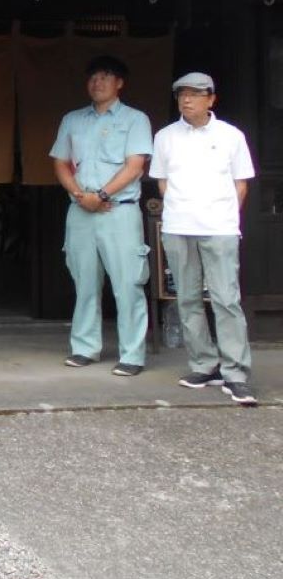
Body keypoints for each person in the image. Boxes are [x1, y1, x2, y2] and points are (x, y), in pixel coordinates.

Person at [149, 72, 257, 406]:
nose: (187, 100)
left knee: (227, 298)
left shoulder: (231, 136)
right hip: (178, 225)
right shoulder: (165, 137)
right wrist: (181, 209)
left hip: (220, 227)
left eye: (195, 94)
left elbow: (241, 183)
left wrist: (222, 215)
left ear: (211, 99)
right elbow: (162, 181)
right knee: (188, 299)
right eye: (182, 94)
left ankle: (235, 373)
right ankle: (203, 364)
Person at [50, 55, 153, 375]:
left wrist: (103, 195)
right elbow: (60, 163)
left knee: (128, 284)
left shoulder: (136, 119)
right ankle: (85, 347)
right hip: (80, 210)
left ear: (119, 83)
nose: (97, 82)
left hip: (118, 211)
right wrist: (82, 197)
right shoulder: (72, 119)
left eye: (105, 76)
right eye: (93, 76)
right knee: (85, 283)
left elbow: (135, 166)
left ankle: (132, 354)